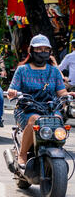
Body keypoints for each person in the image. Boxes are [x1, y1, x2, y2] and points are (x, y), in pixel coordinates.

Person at [7, 34, 75, 167]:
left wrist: (68, 94)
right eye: (39, 49)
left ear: (49, 52)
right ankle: (23, 153)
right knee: (35, 119)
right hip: (27, 110)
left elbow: (61, 92)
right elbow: (11, 92)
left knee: (58, 120)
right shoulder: (22, 70)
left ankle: (56, 148)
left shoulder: (54, 71)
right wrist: (12, 92)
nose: (42, 52)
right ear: (31, 51)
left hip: (50, 108)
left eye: (45, 50)